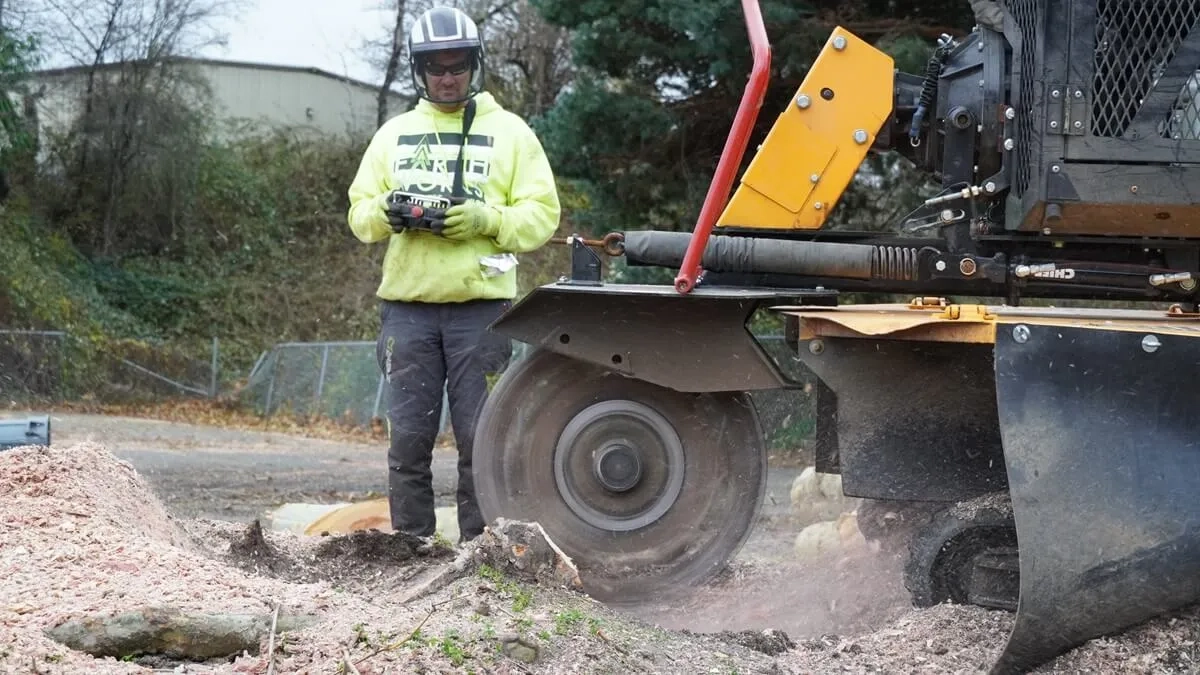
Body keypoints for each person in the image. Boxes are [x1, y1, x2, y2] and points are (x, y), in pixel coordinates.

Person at [346, 5, 561, 543]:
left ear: (474, 64)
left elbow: (542, 215)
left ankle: (479, 551)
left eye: (457, 64)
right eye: (436, 66)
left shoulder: (512, 134)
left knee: (480, 439)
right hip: (408, 311)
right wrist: (386, 212)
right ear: (419, 70)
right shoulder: (394, 135)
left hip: (481, 312)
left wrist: (488, 219)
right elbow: (358, 214)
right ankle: (411, 546)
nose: (447, 76)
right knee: (409, 441)